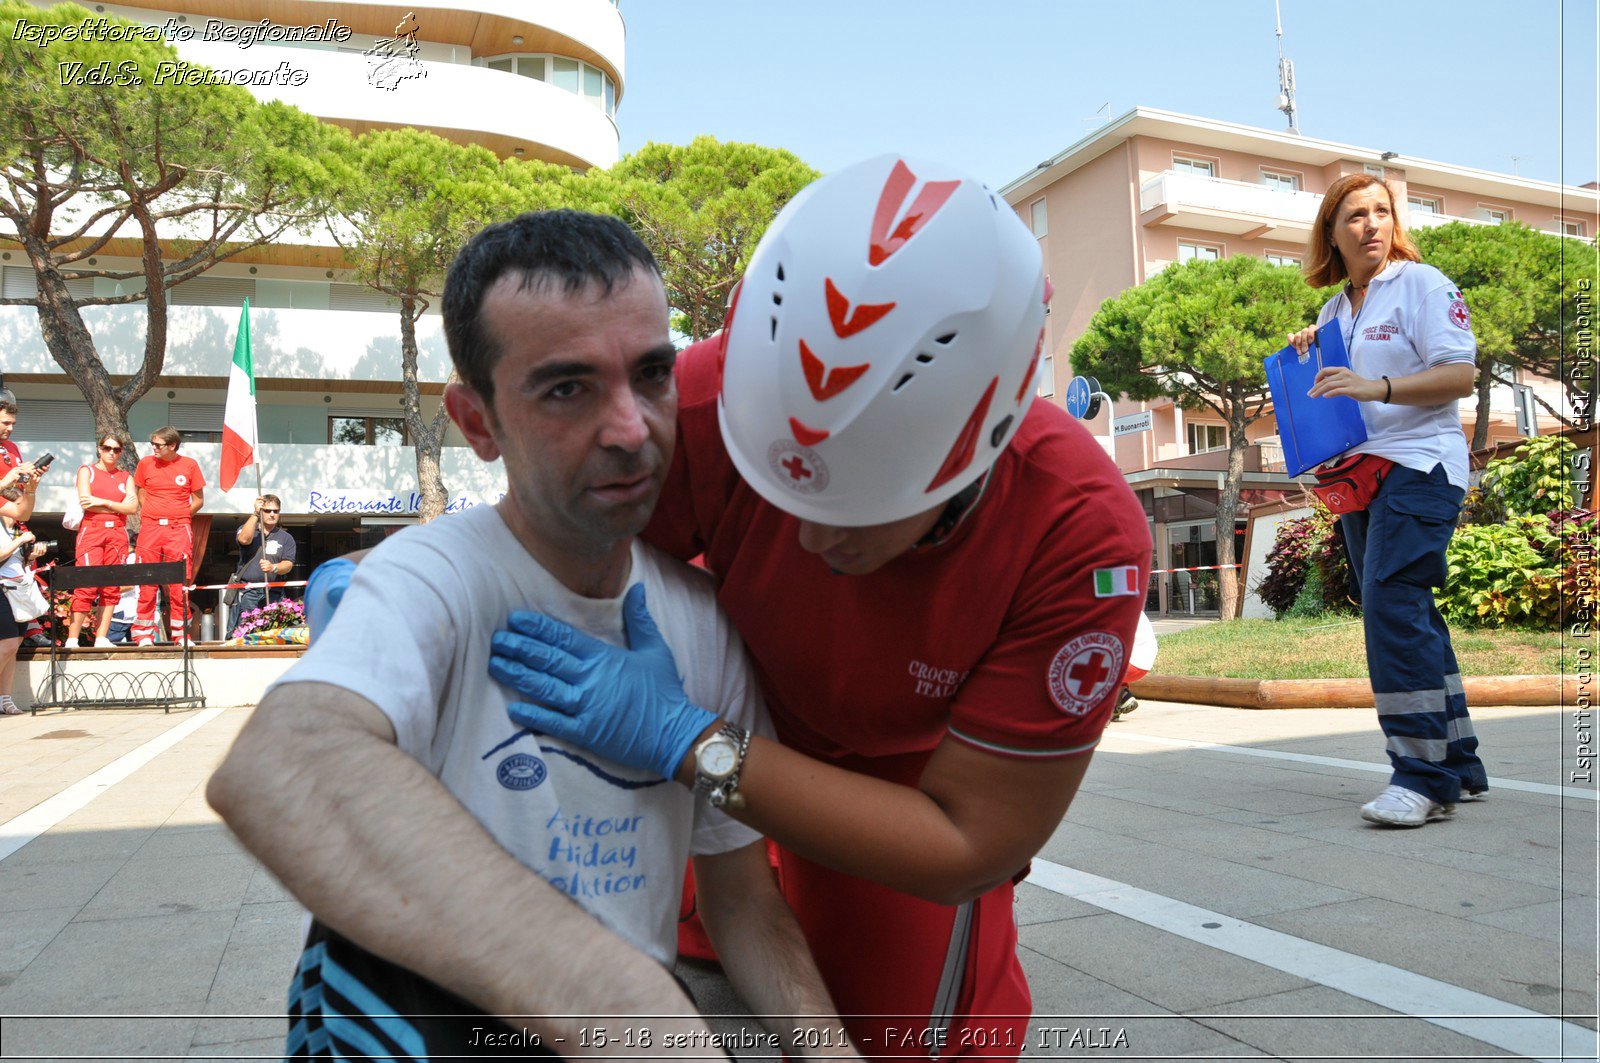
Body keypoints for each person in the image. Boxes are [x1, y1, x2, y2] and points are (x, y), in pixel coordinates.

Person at [480, 156, 1153, 1058]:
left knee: (915, 1040)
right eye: (780, 489)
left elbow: (968, 844)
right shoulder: (697, 405)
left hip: (905, 785)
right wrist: (430, 586)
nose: (800, 540)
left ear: (978, 454)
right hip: (717, 701)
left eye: (858, 513)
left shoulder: (1077, 536)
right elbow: (540, 551)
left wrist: (692, 743)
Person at [206, 211, 856, 1059]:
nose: (631, 428)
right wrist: (636, 1013)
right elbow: (280, 765)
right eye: (567, 388)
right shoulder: (432, 577)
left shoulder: (699, 619)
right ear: (477, 423)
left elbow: (743, 903)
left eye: (652, 374)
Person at [1285, 173, 1485, 828]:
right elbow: (1337, 394)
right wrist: (1310, 360)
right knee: (1405, 606)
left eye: (1380, 212)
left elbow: (1460, 374)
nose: (1370, 224)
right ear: (1331, 233)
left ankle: (1420, 776)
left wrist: (1376, 386)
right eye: (1354, 215)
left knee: (1392, 606)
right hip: (1363, 475)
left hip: (1421, 465)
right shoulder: (1332, 313)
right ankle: (1458, 758)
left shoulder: (1422, 285)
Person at [131, 427, 204, 646]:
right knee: (147, 579)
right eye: (152, 443)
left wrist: (179, 516)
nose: (153, 448)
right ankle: (143, 633)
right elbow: (140, 492)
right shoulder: (145, 463)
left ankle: (181, 634)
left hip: (178, 529)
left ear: (172, 445)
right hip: (151, 528)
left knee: (179, 581)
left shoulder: (189, 465)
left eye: (158, 445)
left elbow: (198, 500)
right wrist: (153, 513)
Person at [67, 436, 135, 647]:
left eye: (116, 449)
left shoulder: (125, 476)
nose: (111, 452)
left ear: (121, 452)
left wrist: (103, 501)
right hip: (92, 530)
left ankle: (101, 637)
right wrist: (117, 505)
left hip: (117, 533)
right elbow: (87, 503)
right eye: (107, 448)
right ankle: (72, 638)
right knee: (86, 584)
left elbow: (132, 508)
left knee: (111, 586)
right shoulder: (87, 470)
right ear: (99, 449)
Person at [0, 476, 41, 714]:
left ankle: (5, 698)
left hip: (18, 588)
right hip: (2, 588)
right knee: (6, 644)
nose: (19, 511)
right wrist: (20, 542)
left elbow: (13, 559)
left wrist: (29, 554)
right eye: (16, 505)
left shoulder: (12, 529)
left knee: (14, 644)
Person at [229, 494, 296, 636]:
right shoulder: (248, 528)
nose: (272, 514)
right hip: (249, 591)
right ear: (260, 511)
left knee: (273, 632)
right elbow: (244, 539)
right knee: (246, 632)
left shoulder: (286, 537)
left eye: (275, 511)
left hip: (274, 592)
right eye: (267, 510)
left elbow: (289, 564)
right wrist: (254, 515)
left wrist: (274, 567)